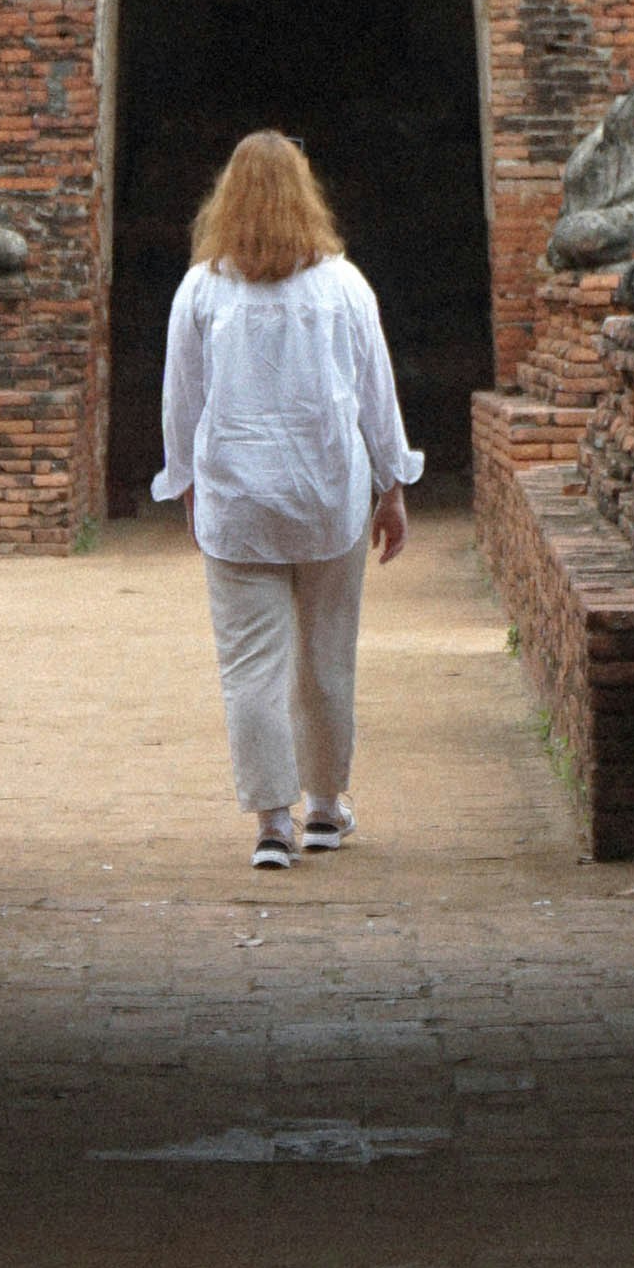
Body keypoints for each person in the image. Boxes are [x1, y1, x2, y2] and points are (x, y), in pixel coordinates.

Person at [153, 129, 421, 875]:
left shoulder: (203, 288)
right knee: (327, 657)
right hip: (327, 494)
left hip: (239, 502)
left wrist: (187, 484)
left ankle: (273, 820)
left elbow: (182, 401)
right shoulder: (342, 285)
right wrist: (391, 486)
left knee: (251, 667)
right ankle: (326, 808)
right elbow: (378, 397)